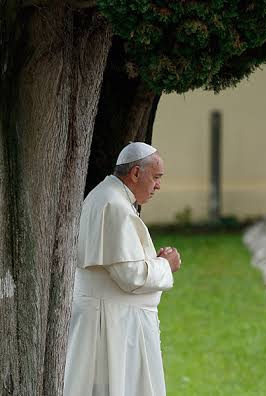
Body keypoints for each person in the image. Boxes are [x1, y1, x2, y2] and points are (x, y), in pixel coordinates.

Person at [64, 142, 182, 396]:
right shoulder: (113, 205)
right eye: (156, 177)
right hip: (109, 322)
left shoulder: (110, 197)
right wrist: (165, 265)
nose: (158, 186)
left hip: (113, 318)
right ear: (136, 173)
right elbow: (130, 276)